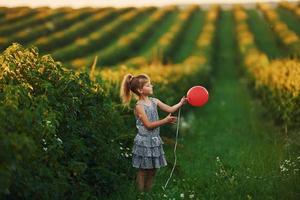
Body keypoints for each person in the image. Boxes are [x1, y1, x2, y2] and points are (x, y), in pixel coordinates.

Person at [120, 73, 186, 193]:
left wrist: (180, 103)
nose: (152, 86)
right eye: (148, 85)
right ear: (140, 90)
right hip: (144, 141)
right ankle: (140, 194)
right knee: (143, 170)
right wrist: (165, 121)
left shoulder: (154, 101)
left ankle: (148, 193)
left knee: (153, 169)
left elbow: (170, 109)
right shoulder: (139, 106)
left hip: (154, 140)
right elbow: (148, 125)